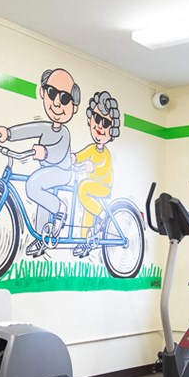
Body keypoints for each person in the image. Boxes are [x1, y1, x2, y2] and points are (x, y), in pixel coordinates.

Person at [0, 68, 80, 257]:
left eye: (65, 99)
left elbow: (58, 152)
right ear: (43, 92)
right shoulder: (46, 127)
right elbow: (30, 129)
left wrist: (44, 152)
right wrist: (8, 133)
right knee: (42, 200)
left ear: (74, 107)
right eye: (52, 93)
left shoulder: (64, 132)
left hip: (62, 172)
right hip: (48, 171)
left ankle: (60, 209)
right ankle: (43, 237)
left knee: (33, 184)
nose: (57, 102)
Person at [72, 90, 120, 257]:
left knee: (83, 188)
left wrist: (93, 168)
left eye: (106, 123)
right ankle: (85, 241)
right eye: (97, 119)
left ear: (111, 131)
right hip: (93, 188)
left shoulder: (104, 153)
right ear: (90, 119)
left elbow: (103, 166)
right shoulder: (92, 148)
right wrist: (72, 158)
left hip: (103, 186)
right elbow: (81, 155)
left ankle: (101, 216)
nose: (100, 126)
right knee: (87, 213)